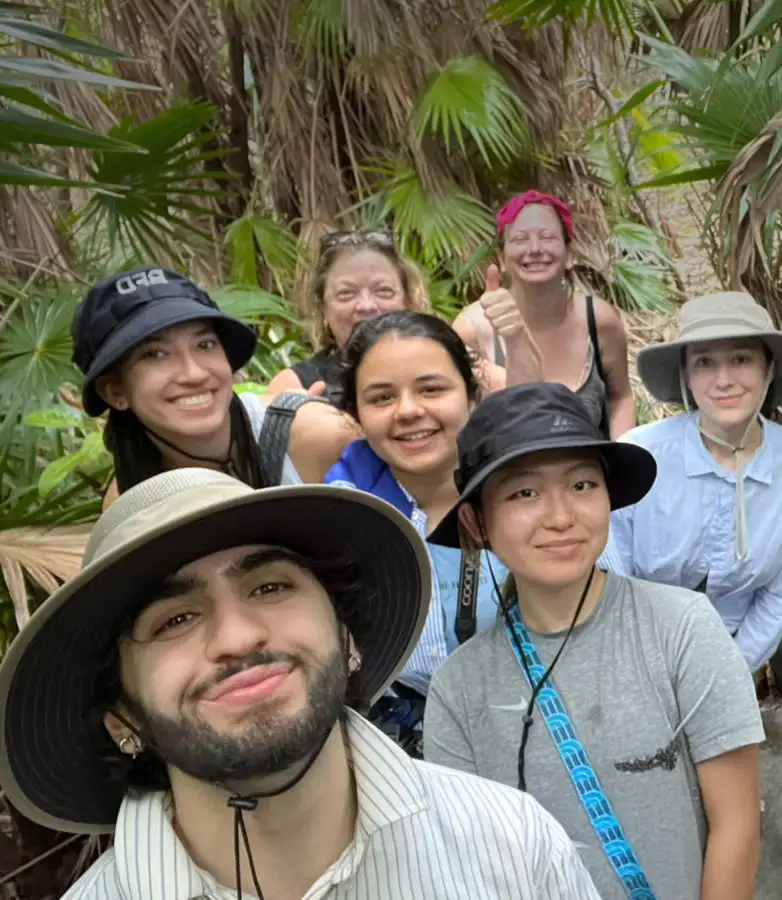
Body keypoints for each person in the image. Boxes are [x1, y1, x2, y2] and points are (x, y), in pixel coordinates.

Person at [0, 468, 602, 900]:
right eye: (174, 620)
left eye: (270, 587)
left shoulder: (512, 846)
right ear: (120, 717)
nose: (238, 637)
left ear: (347, 636)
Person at [424, 382, 764, 900]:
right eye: (524, 493)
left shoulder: (682, 628)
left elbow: (736, 825)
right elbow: (470, 860)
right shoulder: (458, 688)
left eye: (582, 485)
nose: (561, 517)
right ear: (476, 522)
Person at [323, 311, 506, 751]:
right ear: (356, 413)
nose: (408, 410)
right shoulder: (338, 519)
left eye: (431, 389)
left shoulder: (529, 489)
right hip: (400, 751)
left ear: (471, 394)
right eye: (382, 397)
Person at [601, 291, 782, 682]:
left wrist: (730, 672)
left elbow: (777, 597)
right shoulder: (640, 454)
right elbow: (611, 576)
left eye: (741, 359)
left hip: (735, 658)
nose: (724, 380)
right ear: (686, 373)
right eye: (704, 362)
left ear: (768, 367)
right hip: (632, 654)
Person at [71, 265, 355, 503]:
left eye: (205, 344)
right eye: (155, 355)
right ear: (115, 391)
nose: (193, 374)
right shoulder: (132, 500)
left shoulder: (318, 438)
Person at [452, 190, 635, 438]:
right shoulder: (472, 329)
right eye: (520, 239)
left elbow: (620, 396)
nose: (535, 249)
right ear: (502, 258)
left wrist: (625, 452)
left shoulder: (599, 320)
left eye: (547, 237)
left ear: (570, 255)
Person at [265, 229, 430, 403]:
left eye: (383, 290)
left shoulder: (442, 366)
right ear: (323, 308)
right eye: (346, 293)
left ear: (408, 300)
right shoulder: (295, 385)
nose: (366, 306)